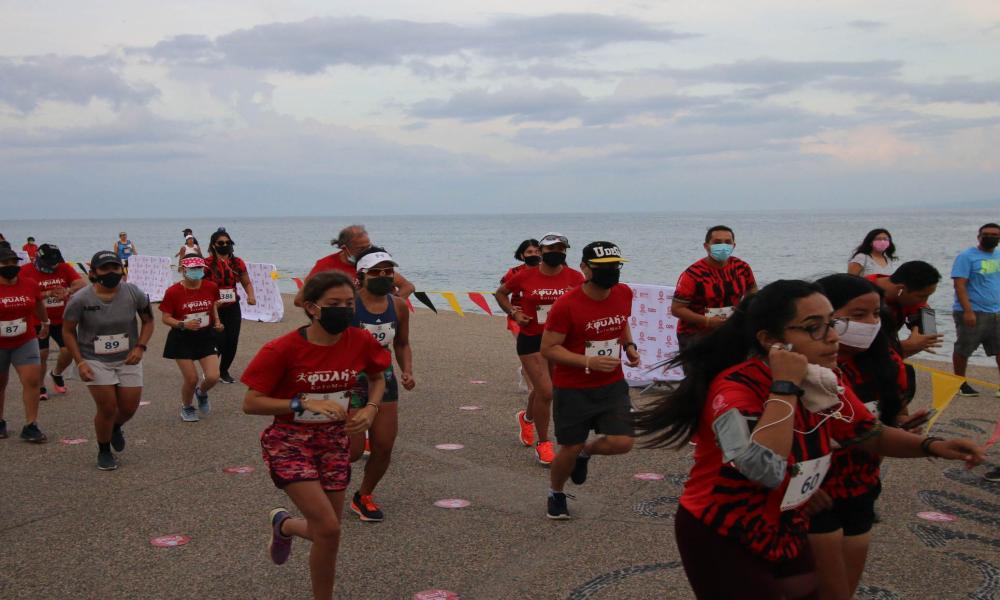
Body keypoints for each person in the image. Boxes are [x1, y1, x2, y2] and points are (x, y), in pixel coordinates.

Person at [633, 280, 984, 600]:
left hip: (785, 524)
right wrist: (784, 386)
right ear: (770, 340)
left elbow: (868, 434)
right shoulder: (734, 390)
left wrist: (933, 446)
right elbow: (763, 469)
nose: (832, 336)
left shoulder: (822, 379)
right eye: (814, 328)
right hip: (723, 529)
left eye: (831, 323)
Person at [242, 271, 389, 600]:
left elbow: (378, 377)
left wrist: (371, 409)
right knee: (329, 528)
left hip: (333, 442)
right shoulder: (281, 349)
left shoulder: (360, 340)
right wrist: (301, 402)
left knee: (328, 532)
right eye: (334, 304)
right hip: (289, 442)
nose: (345, 310)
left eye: (350, 304)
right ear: (311, 307)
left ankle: (284, 525)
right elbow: (250, 403)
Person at [807, 274, 927, 600]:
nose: (871, 323)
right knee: (803, 583)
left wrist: (903, 427)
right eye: (858, 315)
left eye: (876, 314)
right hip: (805, 490)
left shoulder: (886, 361)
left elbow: (893, 415)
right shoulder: (798, 365)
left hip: (860, 483)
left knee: (843, 585)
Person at [541, 241, 640, 518]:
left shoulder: (624, 293)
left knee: (623, 442)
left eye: (615, 267)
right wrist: (588, 361)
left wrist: (630, 346)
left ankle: (587, 451)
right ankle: (556, 493)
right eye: (603, 268)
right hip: (574, 389)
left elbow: (621, 322)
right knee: (567, 448)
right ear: (584, 268)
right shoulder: (566, 305)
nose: (611, 273)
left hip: (612, 384)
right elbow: (548, 349)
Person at [495, 233, 584, 465]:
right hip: (532, 339)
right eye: (551, 248)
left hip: (559, 341)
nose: (556, 252)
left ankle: (527, 418)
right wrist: (513, 312)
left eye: (561, 248)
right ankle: (544, 444)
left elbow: (583, 302)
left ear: (565, 251)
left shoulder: (575, 276)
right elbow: (500, 293)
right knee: (546, 391)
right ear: (542, 252)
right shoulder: (525, 276)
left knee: (546, 390)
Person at [62, 251, 154, 470]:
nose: (111, 272)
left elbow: (148, 321)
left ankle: (114, 428)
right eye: (105, 268)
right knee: (108, 408)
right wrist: (80, 362)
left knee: (129, 408)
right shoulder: (81, 299)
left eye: (115, 267)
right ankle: (104, 451)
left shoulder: (133, 292)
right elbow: (67, 331)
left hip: (128, 358)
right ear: (93, 272)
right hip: (94, 359)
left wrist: (140, 347)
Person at [346, 248, 415, 522]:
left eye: (389, 271)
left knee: (384, 445)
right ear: (362, 275)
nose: (384, 276)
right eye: (377, 272)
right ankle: (321, 482)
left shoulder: (397, 305)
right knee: (351, 452)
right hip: (349, 381)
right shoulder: (348, 304)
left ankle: (363, 495)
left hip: (384, 378)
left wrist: (407, 370)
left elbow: (402, 343)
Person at [671, 225, 757, 353]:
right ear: (706, 246)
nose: (723, 246)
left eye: (728, 242)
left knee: (732, 371)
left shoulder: (742, 268)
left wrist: (744, 313)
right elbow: (677, 309)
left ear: (734, 246)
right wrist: (708, 321)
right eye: (717, 242)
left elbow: (753, 292)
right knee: (702, 373)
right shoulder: (693, 274)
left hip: (731, 331)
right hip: (695, 336)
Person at [159, 256, 223, 422]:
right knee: (191, 378)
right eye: (193, 269)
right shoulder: (173, 291)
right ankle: (187, 407)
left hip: (205, 336)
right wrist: (182, 324)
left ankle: (201, 393)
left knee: (213, 376)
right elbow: (165, 318)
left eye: (200, 268)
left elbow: (214, 305)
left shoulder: (211, 287)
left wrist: (217, 321)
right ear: (183, 270)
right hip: (182, 337)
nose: (197, 272)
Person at [20, 244, 86, 400]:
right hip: (38, 320)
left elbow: (81, 283)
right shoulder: (25, 271)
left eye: (55, 263)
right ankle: (41, 385)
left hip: (62, 318)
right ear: (38, 258)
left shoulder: (63, 268)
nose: (54, 266)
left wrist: (67, 290)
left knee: (69, 351)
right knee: (42, 354)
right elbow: (24, 294)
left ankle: (56, 373)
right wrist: (48, 293)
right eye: (50, 264)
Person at [294, 225, 415, 306]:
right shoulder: (325, 266)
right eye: (361, 249)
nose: (367, 251)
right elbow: (300, 300)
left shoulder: (372, 262)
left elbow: (407, 286)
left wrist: (391, 304)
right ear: (344, 248)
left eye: (369, 246)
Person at [0, 245, 48, 442]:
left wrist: (45, 322)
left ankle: (31, 425)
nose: (11, 266)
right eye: (5, 263)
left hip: (25, 339)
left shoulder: (29, 284)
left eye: (14, 262)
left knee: (32, 380)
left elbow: (37, 304)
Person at [950, 223, 1000, 398]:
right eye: (987, 234)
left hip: (996, 311)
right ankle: (960, 383)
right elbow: (959, 285)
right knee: (964, 348)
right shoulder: (966, 257)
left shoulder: (999, 255)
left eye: (995, 235)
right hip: (973, 311)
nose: (991, 237)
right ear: (979, 237)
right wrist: (968, 311)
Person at [204, 228, 256, 384]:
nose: (224, 245)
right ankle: (211, 370)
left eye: (227, 242)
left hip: (233, 306)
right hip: (214, 308)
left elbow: (246, 282)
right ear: (213, 245)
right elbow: (201, 286)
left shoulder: (237, 262)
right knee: (218, 340)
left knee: (232, 339)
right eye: (221, 243)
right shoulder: (206, 264)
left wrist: (251, 296)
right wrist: (210, 302)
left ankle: (223, 370)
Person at [866, 260, 943, 357]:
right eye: (921, 296)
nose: (924, 301)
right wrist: (903, 347)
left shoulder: (909, 297)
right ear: (900, 289)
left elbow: (929, 334)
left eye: (928, 296)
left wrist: (916, 343)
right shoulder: (861, 294)